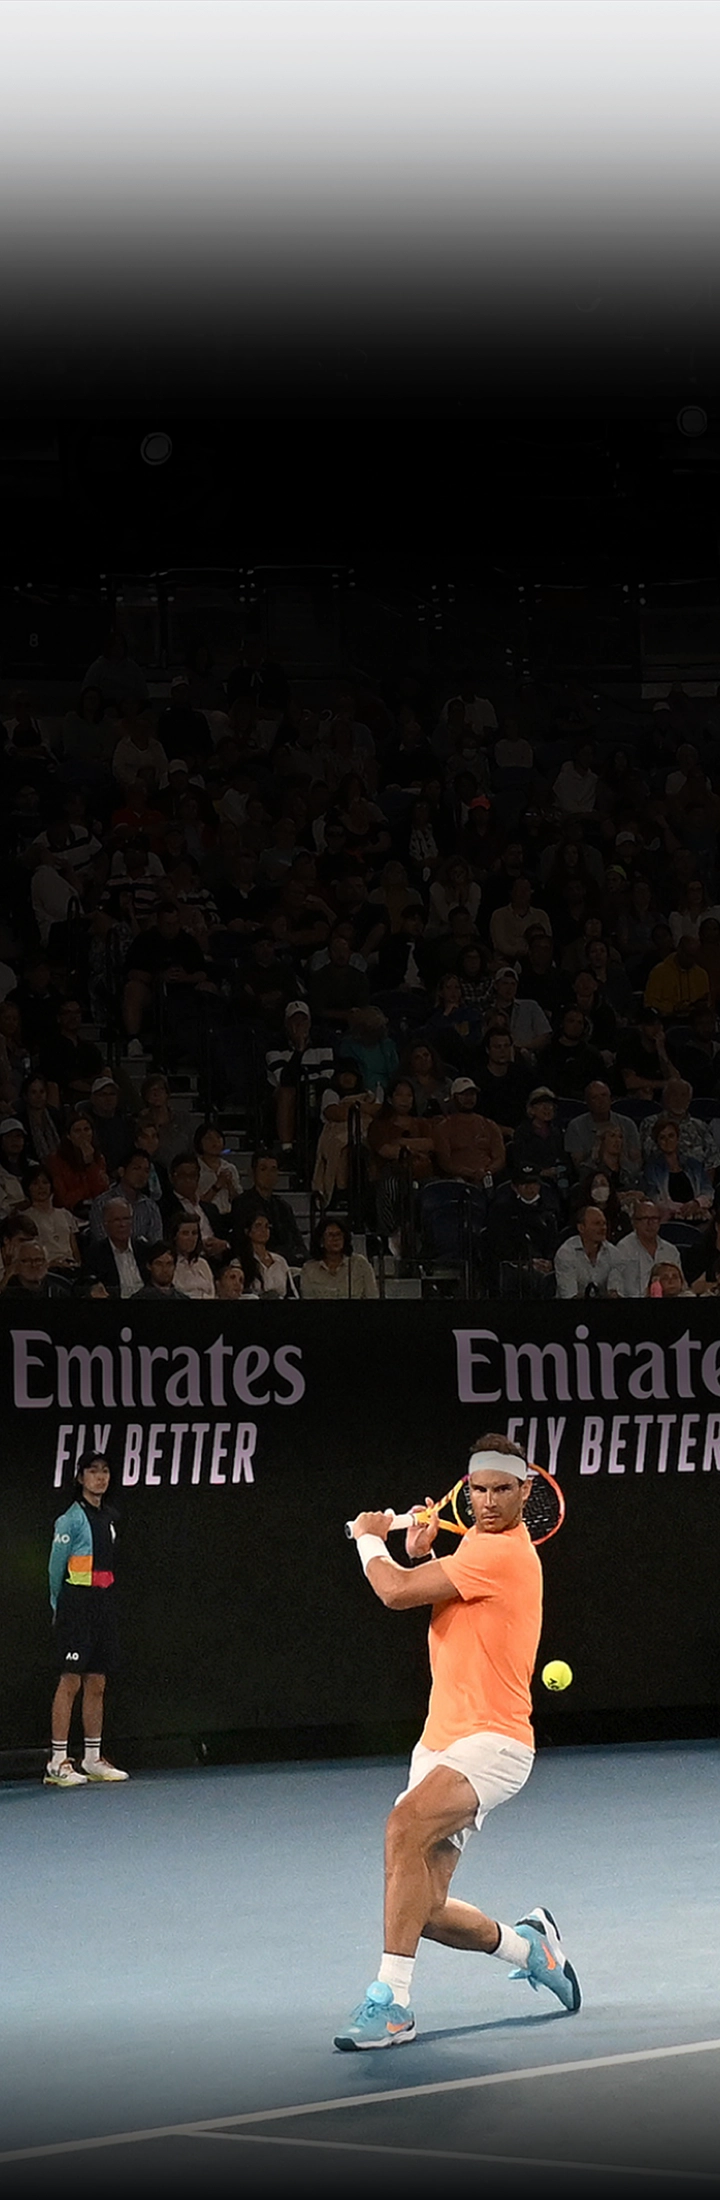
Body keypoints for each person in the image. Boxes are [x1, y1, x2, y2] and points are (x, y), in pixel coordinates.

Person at [337, 1434, 580, 2049]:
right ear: (466, 1491)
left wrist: (371, 1537)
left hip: (493, 1743)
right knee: (426, 1906)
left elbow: (393, 1592)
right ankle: (529, 1949)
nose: (490, 1501)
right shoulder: (476, 1542)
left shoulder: (501, 1555)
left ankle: (391, 2002)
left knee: (401, 1826)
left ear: (526, 1492)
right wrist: (421, 1547)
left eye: (504, 1489)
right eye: (479, 1490)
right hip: (440, 1741)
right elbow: (436, 1583)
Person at [45, 1451, 129, 1788]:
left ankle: (92, 1759)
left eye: (105, 1471)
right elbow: (55, 1568)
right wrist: (58, 1606)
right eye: (93, 1471)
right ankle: (57, 1762)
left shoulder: (109, 1517)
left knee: (97, 1682)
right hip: (76, 1605)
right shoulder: (70, 1520)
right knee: (71, 1681)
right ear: (80, 1478)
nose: (100, 1477)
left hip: (102, 1605)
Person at [234, 1151, 308, 1266]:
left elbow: (297, 1239)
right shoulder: (242, 1203)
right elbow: (241, 1240)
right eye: (263, 1169)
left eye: (273, 1169)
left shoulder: (283, 1206)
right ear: (253, 1173)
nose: (269, 1174)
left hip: (287, 1260)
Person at [432, 1080, 505, 1185]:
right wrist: (470, 1173)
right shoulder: (444, 1127)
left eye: (472, 1094)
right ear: (453, 1097)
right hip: (458, 1180)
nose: (469, 1098)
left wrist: (487, 1172)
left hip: (490, 1177)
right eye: (463, 1094)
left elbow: (500, 1157)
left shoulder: (489, 1125)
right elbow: (445, 1162)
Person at [564, 1081, 642, 1178]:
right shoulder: (575, 1126)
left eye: (604, 1095)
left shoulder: (628, 1124)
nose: (601, 1101)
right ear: (587, 1102)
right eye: (594, 1097)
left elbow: (636, 1160)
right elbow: (578, 1165)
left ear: (610, 1098)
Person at [607, 1201, 683, 1298]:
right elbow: (614, 1288)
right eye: (644, 1219)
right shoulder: (623, 1249)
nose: (650, 1223)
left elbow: (680, 1287)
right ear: (634, 1222)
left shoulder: (671, 1251)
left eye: (654, 1219)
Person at [300, 1215, 379, 1299]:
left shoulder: (360, 1265)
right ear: (321, 1240)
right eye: (330, 1235)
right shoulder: (309, 1269)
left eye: (339, 1234)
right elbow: (308, 1305)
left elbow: (372, 1299)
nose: (336, 1239)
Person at [554, 1204, 616, 1298]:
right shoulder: (566, 1253)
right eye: (597, 1223)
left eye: (604, 1223)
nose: (603, 1228)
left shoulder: (614, 1253)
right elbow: (569, 1296)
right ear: (581, 1228)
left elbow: (615, 1293)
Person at [241, 1211, 298, 1297]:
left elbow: (292, 1292)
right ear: (247, 1231)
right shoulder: (240, 1262)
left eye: (267, 1226)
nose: (263, 1230)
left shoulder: (280, 1261)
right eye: (258, 1226)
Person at [170, 1214, 216, 1299]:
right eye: (185, 1233)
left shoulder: (203, 1264)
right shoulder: (169, 1264)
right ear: (175, 1236)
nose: (191, 1238)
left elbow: (212, 1293)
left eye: (194, 1233)